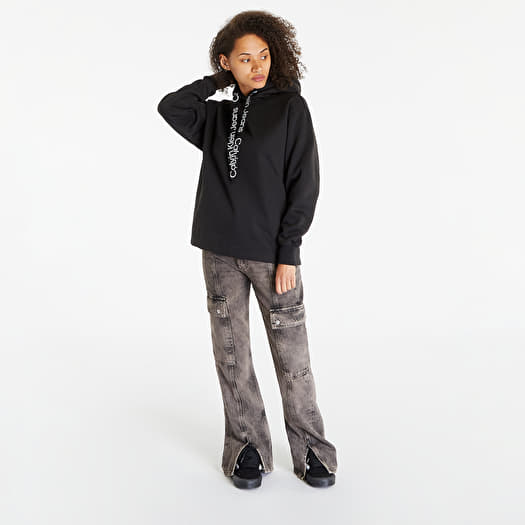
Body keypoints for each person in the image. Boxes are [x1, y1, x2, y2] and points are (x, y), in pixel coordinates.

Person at [157, 10, 337, 489]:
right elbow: (170, 106)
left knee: (292, 358)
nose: (257, 66)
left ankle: (312, 451)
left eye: (263, 56)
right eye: (244, 59)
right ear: (226, 63)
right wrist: (218, 83)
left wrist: (289, 251)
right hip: (218, 253)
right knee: (232, 356)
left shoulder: (291, 109)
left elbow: (304, 183)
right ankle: (246, 448)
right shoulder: (215, 117)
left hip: (272, 256)